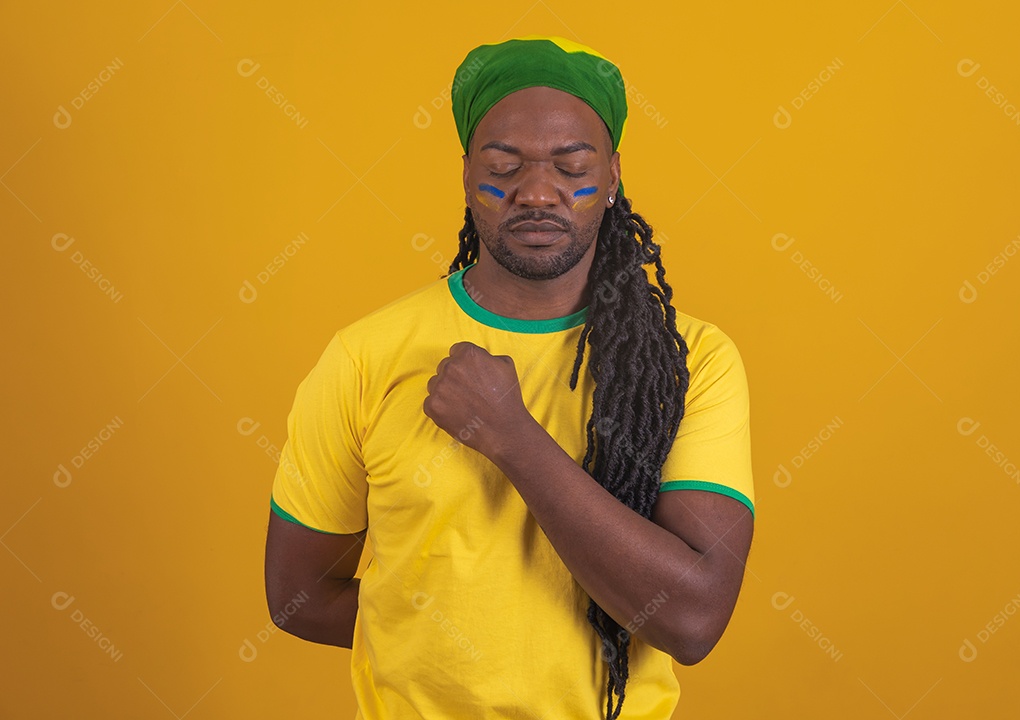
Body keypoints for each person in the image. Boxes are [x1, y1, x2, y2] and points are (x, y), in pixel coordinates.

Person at [264, 35, 755, 720]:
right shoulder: (364, 356)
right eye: (504, 164)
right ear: (468, 173)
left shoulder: (691, 361)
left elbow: (695, 618)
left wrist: (512, 437)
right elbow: (297, 596)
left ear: (612, 177)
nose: (537, 191)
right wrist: (448, 647)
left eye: (570, 164)